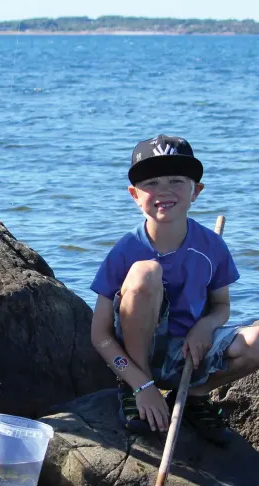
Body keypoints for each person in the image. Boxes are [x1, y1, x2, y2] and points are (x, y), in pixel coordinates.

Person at [90, 135, 259, 445]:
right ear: (134, 195)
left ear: (196, 191)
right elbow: (99, 335)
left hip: (188, 357)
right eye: (151, 182)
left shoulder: (212, 246)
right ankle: (135, 391)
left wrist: (205, 327)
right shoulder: (126, 250)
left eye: (176, 181)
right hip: (136, 358)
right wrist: (141, 384)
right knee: (145, 273)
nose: (164, 190)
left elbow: (221, 306)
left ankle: (196, 395)